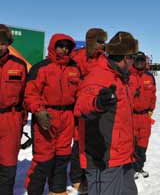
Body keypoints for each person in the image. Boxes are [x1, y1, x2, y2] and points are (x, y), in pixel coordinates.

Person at [74, 31, 139, 195]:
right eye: (133, 56)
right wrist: (97, 103)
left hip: (123, 156)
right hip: (103, 159)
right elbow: (81, 106)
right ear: (126, 57)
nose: (134, 62)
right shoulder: (99, 76)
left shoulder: (120, 77)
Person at [24, 34, 81, 195]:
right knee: (43, 159)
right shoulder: (41, 67)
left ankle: (58, 190)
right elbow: (30, 94)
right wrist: (39, 111)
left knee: (63, 157)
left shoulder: (74, 68)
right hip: (46, 116)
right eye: (60, 46)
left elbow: (81, 92)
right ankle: (34, 191)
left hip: (67, 116)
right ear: (53, 46)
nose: (64, 49)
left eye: (67, 47)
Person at [70, 28, 108, 194]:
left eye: (103, 42)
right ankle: (77, 177)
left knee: (93, 141)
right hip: (80, 106)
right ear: (91, 41)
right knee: (79, 142)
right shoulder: (77, 58)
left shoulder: (104, 60)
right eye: (99, 41)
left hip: (97, 107)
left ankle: (89, 175)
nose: (102, 45)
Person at [0, 24, 27, 195]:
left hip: (10, 119)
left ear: (8, 43)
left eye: (2, 42)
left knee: (8, 166)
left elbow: (25, 95)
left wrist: (21, 120)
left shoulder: (19, 65)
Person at [129, 51, 157, 179]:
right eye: (137, 61)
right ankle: (131, 169)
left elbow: (153, 95)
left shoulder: (150, 77)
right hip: (131, 116)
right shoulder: (127, 75)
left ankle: (139, 167)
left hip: (145, 116)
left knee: (143, 143)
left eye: (142, 61)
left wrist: (151, 109)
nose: (140, 63)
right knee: (131, 143)